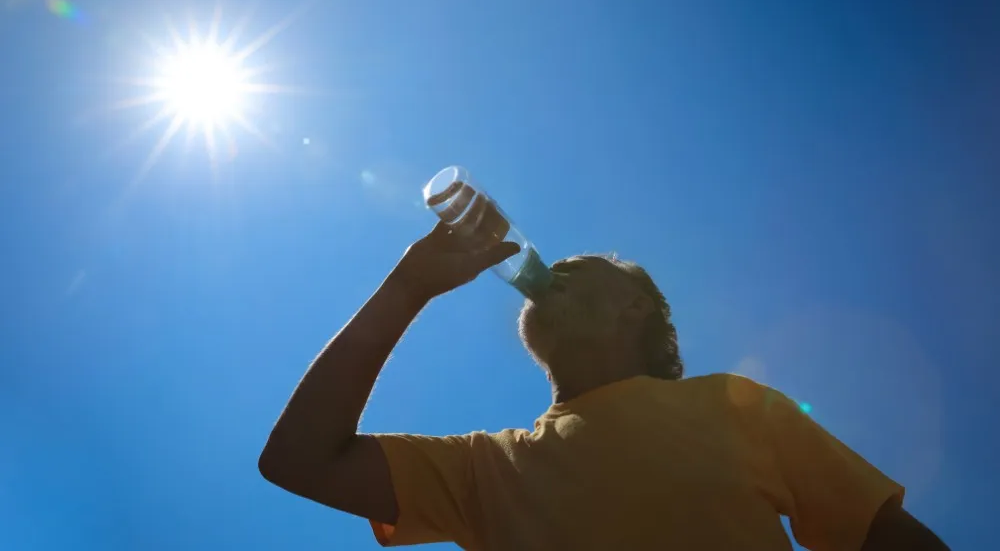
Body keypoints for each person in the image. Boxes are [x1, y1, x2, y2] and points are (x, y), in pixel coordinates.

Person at [258, 222, 949, 550]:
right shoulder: (488, 468)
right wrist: (406, 287)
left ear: (638, 308)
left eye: (585, 269)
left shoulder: (733, 405)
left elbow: (885, 536)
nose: (556, 271)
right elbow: (298, 460)